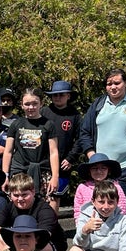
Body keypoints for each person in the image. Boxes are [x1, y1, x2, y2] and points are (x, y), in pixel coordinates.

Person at [78, 68, 126, 207]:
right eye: (109, 84)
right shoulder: (98, 105)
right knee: (100, 206)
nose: (113, 87)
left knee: (121, 206)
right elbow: (85, 132)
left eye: (117, 83)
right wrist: (91, 155)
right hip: (100, 168)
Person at [0, 173, 68, 251]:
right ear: (10, 194)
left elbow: (44, 237)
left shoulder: (45, 210)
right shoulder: (9, 207)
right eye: (16, 195)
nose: (20, 199)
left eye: (24, 195)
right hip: (20, 240)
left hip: (47, 243)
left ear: (33, 192)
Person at [1, 87, 59, 200]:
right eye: (27, 104)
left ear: (41, 104)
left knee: (43, 204)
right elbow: (8, 152)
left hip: (42, 171)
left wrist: (55, 177)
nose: (31, 107)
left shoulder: (48, 125)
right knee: (19, 202)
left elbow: (53, 152)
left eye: (34, 104)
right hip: (19, 171)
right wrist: (5, 175)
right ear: (22, 105)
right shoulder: (15, 124)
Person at [41, 80, 83, 213]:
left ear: (68, 96)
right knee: (40, 196)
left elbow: (81, 138)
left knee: (55, 195)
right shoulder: (44, 112)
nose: (58, 97)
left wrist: (71, 158)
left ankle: (51, 224)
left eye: (61, 95)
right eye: (55, 95)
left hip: (63, 164)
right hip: (42, 162)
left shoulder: (75, 115)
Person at [73, 153, 126, 222]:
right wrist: (81, 225)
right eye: (94, 168)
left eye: (103, 168)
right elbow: (78, 210)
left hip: (113, 224)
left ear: (109, 171)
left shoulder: (116, 187)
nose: (99, 171)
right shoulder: (82, 188)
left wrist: (119, 224)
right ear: (89, 171)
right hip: (88, 223)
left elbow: (122, 208)